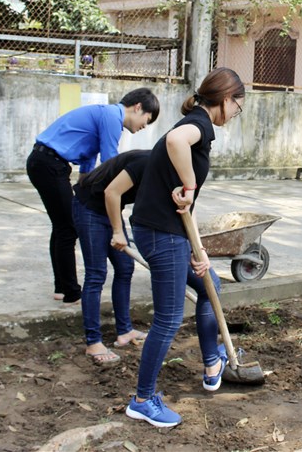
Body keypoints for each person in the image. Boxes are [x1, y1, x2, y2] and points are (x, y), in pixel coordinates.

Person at [124, 67, 245, 428]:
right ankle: (143, 399)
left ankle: (212, 364)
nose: (237, 113)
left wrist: (198, 251)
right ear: (226, 100)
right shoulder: (200, 125)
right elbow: (176, 143)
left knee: (212, 287)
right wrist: (191, 184)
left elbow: (178, 202)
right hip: (161, 235)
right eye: (238, 106)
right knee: (169, 318)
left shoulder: (200, 123)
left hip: (168, 231)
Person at [26, 89, 159, 304]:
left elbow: (89, 161)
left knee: (62, 226)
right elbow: (110, 163)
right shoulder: (111, 117)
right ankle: (70, 292)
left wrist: (84, 191)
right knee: (67, 228)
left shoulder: (105, 116)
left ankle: (61, 287)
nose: (145, 125)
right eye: (147, 119)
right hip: (47, 163)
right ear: (138, 107)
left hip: (47, 163)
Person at [72, 149, 153, 366]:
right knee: (97, 274)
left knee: (125, 268)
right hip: (89, 207)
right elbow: (111, 193)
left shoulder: (166, 171)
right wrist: (118, 231)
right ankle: (93, 342)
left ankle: (124, 331)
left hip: (110, 209)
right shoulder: (147, 161)